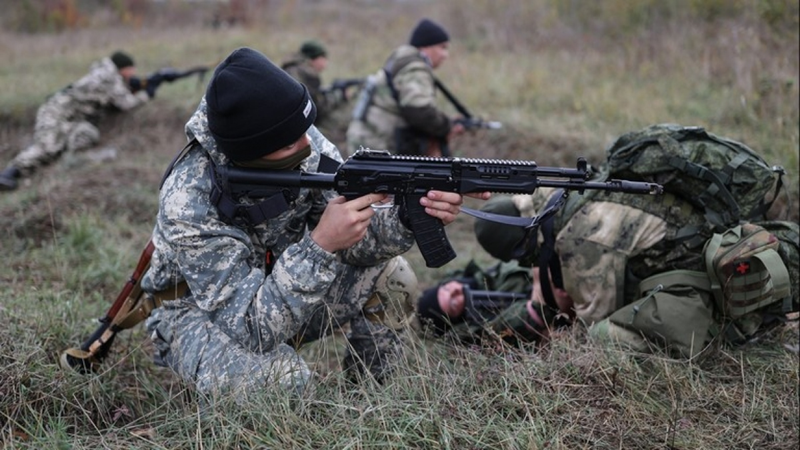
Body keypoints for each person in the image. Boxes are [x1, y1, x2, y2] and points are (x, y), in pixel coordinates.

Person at [141, 47, 487, 399]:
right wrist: (320, 246)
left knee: (393, 278)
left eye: (306, 129)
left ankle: (372, 403)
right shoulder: (189, 200)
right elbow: (249, 326)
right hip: (198, 315)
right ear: (252, 151)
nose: (309, 143)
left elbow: (358, 244)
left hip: (280, 284)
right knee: (281, 382)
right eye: (293, 140)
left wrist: (407, 215)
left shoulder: (296, 137)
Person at [418, 170, 799, 358]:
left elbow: (591, 322)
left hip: (710, 271)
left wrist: (554, 319)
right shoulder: (559, 197)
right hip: (708, 235)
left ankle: (727, 332)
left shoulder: (577, 241)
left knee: (605, 338)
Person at [0, 51, 157, 191]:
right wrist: (147, 94)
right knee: (47, 147)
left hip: (69, 118)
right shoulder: (107, 77)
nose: (134, 72)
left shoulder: (106, 75)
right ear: (124, 68)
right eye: (132, 69)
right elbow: (126, 103)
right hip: (55, 113)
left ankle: (66, 165)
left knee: (85, 133)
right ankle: (9, 174)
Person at [345, 18, 465, 157]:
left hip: (367, 140)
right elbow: (419, 110)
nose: (445, 55)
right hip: (378, 146)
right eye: (442, 47)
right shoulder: (415, 68)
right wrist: (447, 126)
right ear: (426, 46)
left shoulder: (402, 62)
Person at [281, 40, 342, 126]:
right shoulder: (308, 73)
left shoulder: (290, 68)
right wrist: (339, 95)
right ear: (315, 58)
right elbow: (316, 109)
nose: (326, 63)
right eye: (323, 58)